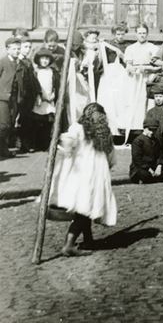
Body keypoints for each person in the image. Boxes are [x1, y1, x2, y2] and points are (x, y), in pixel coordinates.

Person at [49, 102, 116, 256]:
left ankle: (88, 239)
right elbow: (112, 158)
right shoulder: (104, 133)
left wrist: (62, 145)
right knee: (85, 208)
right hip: (95, 174)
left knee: (85, 207)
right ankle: (69, 245)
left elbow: (68, 144)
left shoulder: (78, 128)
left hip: (81, 174)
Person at [30, 47, 59, 151]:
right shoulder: (36, 72)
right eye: (42, 59)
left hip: (49, 99)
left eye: (47, 59)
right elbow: (34, 85)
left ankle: (45, 144)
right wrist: (38, 95)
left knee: (48, 122)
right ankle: (36, 144)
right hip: (39, 100)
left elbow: (55, 85)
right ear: (38, 60)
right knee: (37, 122)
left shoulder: (52, 72)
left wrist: (53, 95)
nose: (45, 61)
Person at [129, 111, 163, 184]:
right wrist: (149, 169)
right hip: (141, 167)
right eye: (150, 130)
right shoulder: (138, 141)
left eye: (154, 130)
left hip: (153, 166)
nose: (152, 132)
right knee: (145, 175)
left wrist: (159, 165)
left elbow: (159, 155)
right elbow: (137, 159)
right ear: (144, 128)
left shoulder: (156, 140)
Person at [0, 37, 20, 158]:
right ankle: (3, 150)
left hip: (14, 98)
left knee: (10, 124)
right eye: (14, 49)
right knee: (4, 125)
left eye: (18, 49)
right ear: (7, 49)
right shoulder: (2, 62)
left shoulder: (19, 63)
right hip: (2, 97)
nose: (17, 51)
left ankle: (3, 149)